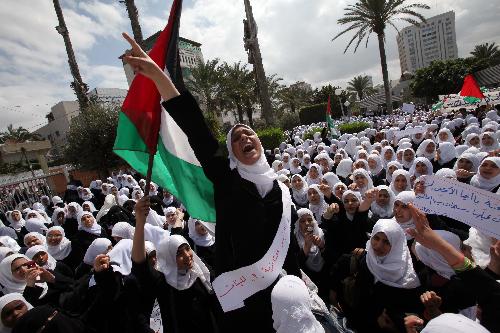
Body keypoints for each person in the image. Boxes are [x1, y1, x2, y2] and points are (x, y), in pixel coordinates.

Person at [122, 31, 300, 332]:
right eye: (237, 137)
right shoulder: (226, 180)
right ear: (230, 153)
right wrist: (155, 74)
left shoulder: (280, 191)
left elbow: (289, 248)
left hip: (284, 293)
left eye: (249, 133)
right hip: (245, 303)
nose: (245, 137)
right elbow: (195, 126)